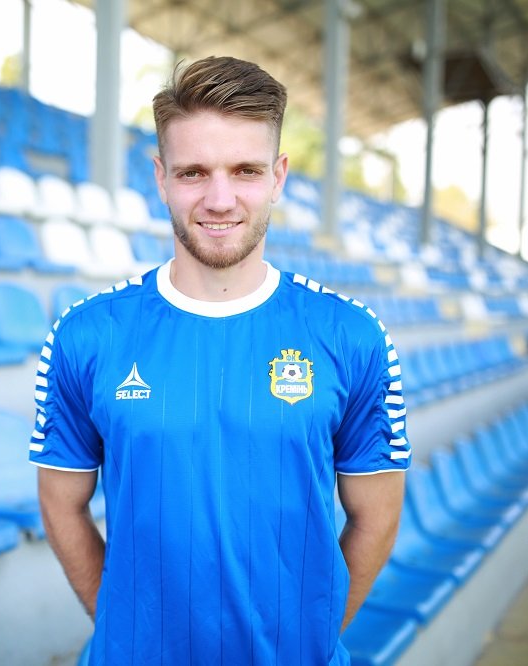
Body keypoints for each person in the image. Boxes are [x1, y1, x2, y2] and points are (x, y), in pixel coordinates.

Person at [29, 55, 410, 665]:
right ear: (161, 178)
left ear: (278, 177)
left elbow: (378, 516)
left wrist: (304, 640)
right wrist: (127, 630)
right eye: (193, 173)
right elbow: (61, 501)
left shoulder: (351, 336)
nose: (220, 198)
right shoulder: (87, 335)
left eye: (246, 171)